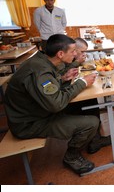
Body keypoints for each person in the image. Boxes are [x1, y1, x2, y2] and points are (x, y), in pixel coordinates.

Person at [4, 34, 100, 175]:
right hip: (29, 123)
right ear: (60, 54)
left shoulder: (42, 60)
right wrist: (83, 82)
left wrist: (62, 78)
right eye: (73, 51)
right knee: (91, 122)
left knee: (88, 101)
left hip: (38, 110)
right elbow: (57, 104)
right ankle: (71, 157)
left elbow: (43, 89)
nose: (76, 54)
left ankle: (95, 140)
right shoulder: (40, 71)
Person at [58, 37, 112, 153]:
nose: (83, 54)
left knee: (91, 99)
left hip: (61, 95)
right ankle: (94, 139)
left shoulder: (63, 59)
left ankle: (95, 137)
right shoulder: (61, 60)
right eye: (81, 51)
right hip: (60, 103)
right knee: (89, 100)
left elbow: (62, 75)